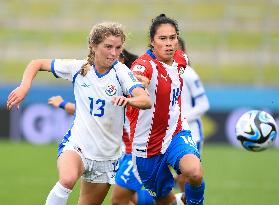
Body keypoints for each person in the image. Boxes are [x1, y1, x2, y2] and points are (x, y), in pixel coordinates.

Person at [7, 22, 151, 205]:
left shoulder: (121, 72)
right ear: (93, 45)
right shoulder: (78, 68)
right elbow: (37, 63)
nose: (114, 53)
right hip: (78, 145)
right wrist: (24, 86)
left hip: (106, 158)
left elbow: (145, 100)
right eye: (108, 47)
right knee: (67, 179)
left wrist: (129, 100)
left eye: (118, 48)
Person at [48, 49, 155, 205]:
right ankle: (174, 201)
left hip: (132, 152)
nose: (110, 56)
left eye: (116, 53)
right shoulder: (108, 79)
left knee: (120, 199)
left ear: (122, 61)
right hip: (119, 152)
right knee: (127, 199)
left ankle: (172, 200)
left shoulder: (126, 81)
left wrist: (144, 85)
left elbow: (145, 94)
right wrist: (63, 104)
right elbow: (91, 111)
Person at [128, 14, 205, 205]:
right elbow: (136, 75)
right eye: (163, 39)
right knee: (164, 200)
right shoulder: (143, 65)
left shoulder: (181, 59)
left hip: (175, 132)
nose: (169, 43)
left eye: (173, 38)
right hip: (146, 145)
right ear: (152, 42)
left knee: (194, 173)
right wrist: (138, 84)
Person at [174, 37, 210, 202]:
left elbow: (203, 104)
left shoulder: (188, 73)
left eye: (175, 49)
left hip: (192, 132)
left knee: (186, 176)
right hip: (171, 133)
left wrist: (183, 116)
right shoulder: (162, 74)